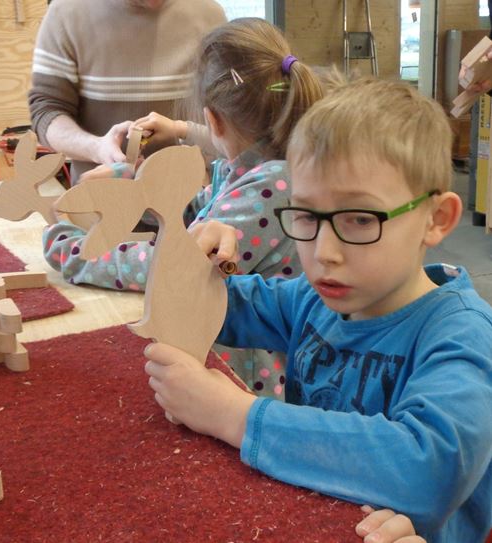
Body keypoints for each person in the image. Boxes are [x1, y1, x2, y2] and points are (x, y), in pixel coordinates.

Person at [144, 76, 492, 543]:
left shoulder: (462, 336)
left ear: (436, 219)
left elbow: (426, 471)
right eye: (307, 216)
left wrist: (233, 415)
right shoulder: (312, 298)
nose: (324, 252)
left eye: (360, 219)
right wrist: (193, 258)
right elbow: (205, 305)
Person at [43, 17, 325, 398]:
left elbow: (171, 267)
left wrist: (75, 253)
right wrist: (134, 187)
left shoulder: (270, 185)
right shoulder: (249, 169)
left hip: (245, 382)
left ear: (212, 120)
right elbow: (191, 210)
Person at [28, 0, 227, 184]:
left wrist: (182, 131)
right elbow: (47, 112)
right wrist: (97, 147)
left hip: (194, 202)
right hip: (100, 201)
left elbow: (230, 119)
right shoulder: (66, 14)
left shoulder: (210, 15)